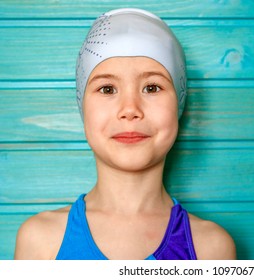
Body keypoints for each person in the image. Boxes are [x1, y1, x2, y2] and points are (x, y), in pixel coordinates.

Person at [14, 8, 236, 260]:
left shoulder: (210, 247)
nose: (130, 109)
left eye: (152, 87)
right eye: (107, 89)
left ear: (179, 104)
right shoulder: (41, 241)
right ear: (83, 107)